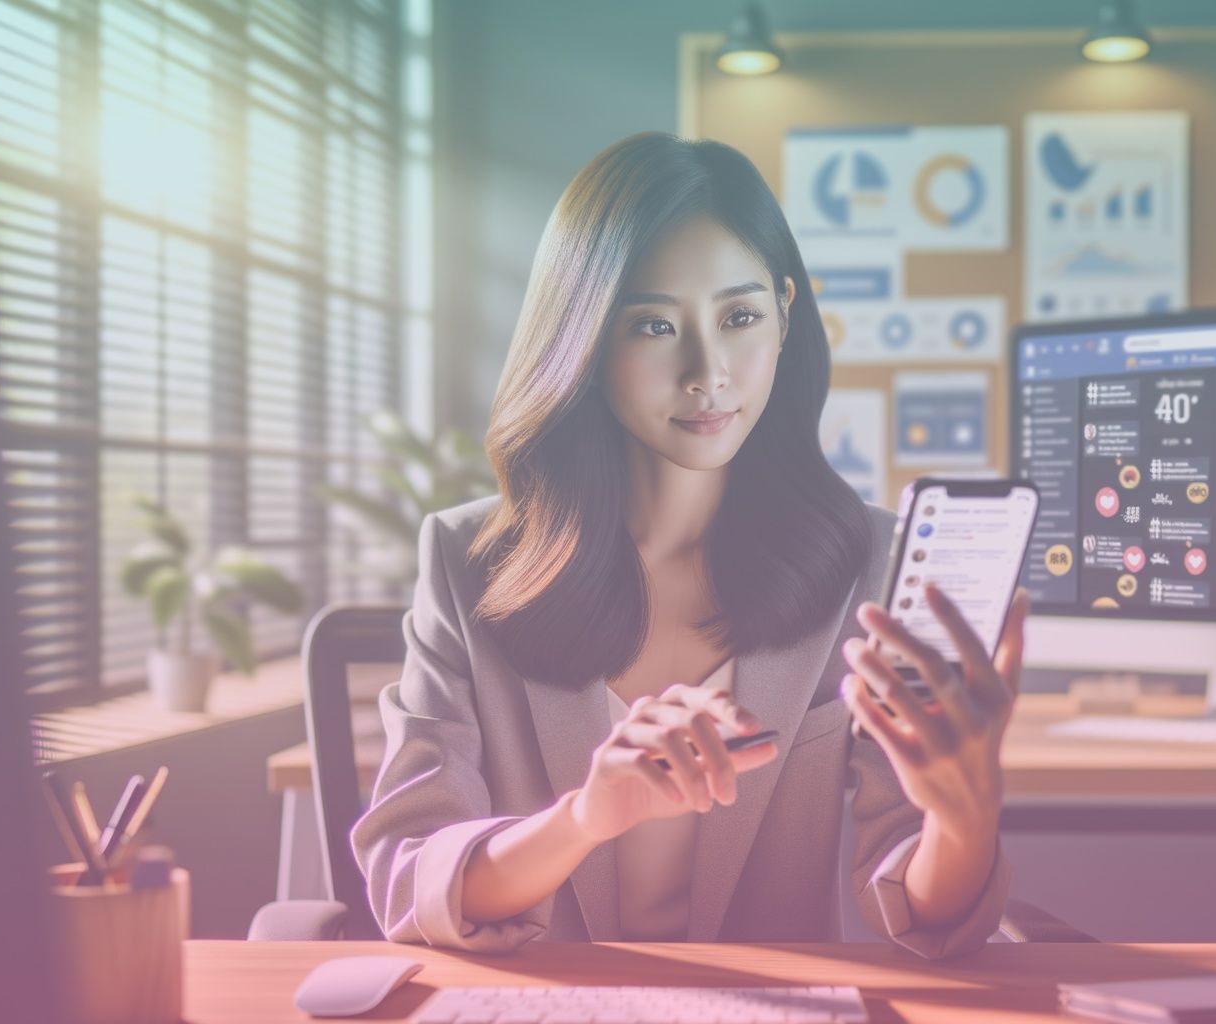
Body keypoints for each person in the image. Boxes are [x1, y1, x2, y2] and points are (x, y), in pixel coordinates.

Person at [352, 133, 1023, 960]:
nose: (709, 373)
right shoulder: (466, 560)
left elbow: (932, 917)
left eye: (739, 316)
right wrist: (587, 817)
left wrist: (964, 814)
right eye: (654, 326)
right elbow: (409, 878)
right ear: (586, 343)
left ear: (784, 314)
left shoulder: (871, 565)